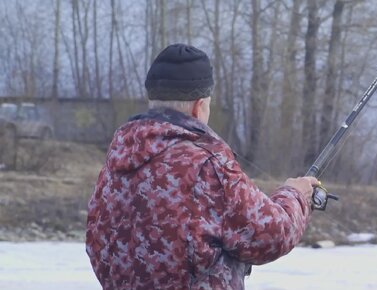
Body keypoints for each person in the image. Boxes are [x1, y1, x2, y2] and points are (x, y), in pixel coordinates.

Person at [86, 43, 318, 290]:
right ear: (199, 106)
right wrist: (295, 194)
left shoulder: (117, 157)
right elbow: (272, 235)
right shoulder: (207, 164)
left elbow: (95, 242)